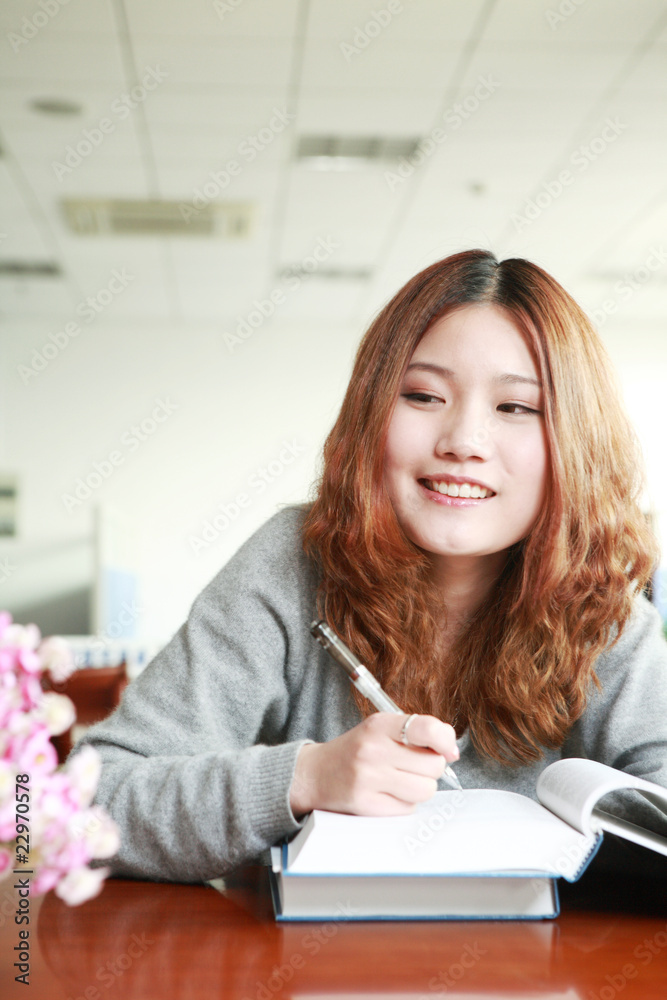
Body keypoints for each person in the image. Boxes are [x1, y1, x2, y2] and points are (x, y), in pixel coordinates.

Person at [77, 249, 667, 883]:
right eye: (422, 395)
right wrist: (305, 777)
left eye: (515, 408)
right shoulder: (290, 562)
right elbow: (85, 805)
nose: (463, 441)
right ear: (372, 414)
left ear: (572, 443)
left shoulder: (600, 600)